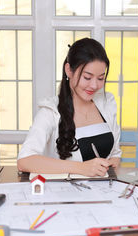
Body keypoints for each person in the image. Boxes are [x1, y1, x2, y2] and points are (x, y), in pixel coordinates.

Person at [17, 38, 121, 177]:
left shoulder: (106, 103)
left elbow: (115, 153)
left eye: (101, 78)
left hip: (104, 192)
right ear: (69, 70)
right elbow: (25, 161)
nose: (94, 86)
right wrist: (82, 168)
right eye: (87, 77)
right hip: (65, 195)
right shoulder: (50, 111)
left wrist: (114, 160)